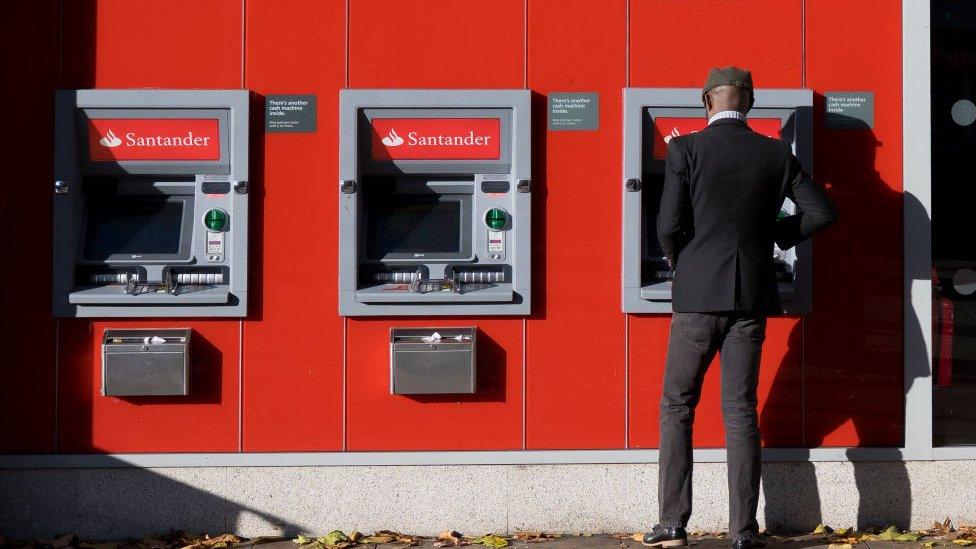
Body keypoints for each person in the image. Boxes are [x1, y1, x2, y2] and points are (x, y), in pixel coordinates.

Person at [642, 67, 837, 549]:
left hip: (695, 301)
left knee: (677, 406)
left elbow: (668, 223)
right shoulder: (775, 154)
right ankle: (744, 531)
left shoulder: (685, 149)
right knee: (740, 411)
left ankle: (672, 525)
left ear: (707, 100)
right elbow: (823, 213)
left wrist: (679, 259)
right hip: (749, 299)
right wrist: (776, 236)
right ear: (748, 103)